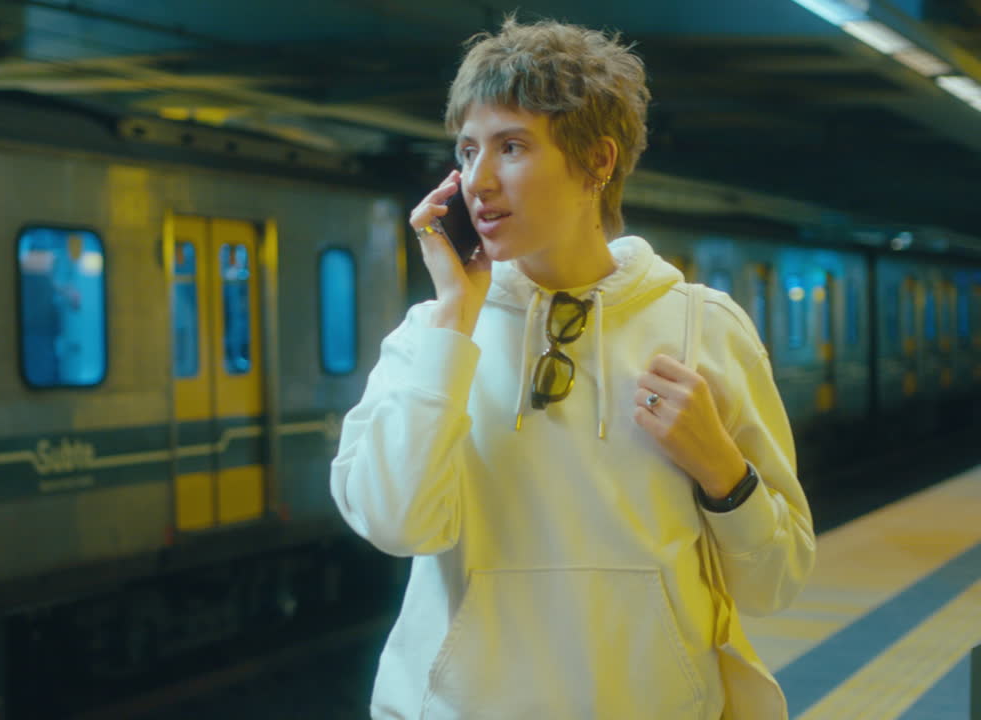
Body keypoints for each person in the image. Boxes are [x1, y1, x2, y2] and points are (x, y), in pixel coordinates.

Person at [329, 17, 815, 720]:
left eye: (513, 146)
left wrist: (723, 474)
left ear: (598, 162)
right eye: (467, 150)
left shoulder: (703, 328)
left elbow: (777, 584)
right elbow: (397, 525)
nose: (478, 180)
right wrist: (453, 324)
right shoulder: (428, 338)